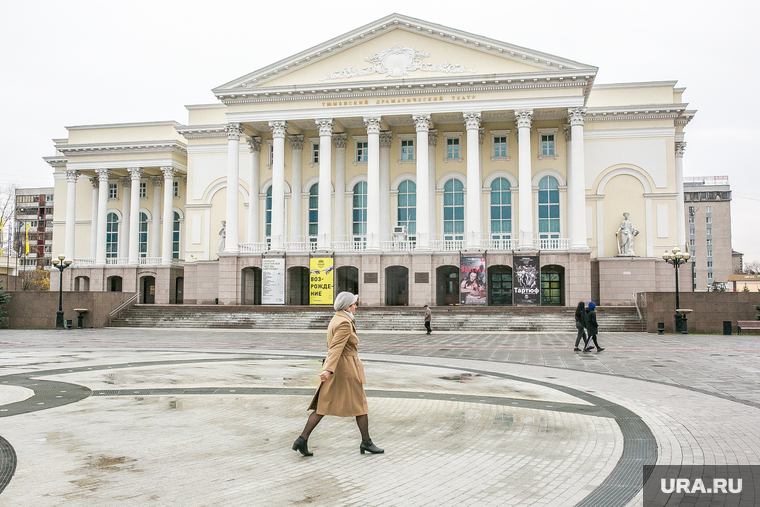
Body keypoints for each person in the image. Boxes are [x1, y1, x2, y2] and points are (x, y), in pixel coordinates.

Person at [292, 291, 384, 456]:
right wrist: (327, 369)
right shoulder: (344, 323)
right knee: (360, 405)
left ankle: (302, 439)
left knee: (323, 405)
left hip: (339, 368)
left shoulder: (337, 318)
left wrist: (328, 369)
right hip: (345, 369)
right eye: (354, 304)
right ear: (348, 306)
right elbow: (335, 348)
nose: (356, 306)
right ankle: (366, 442)